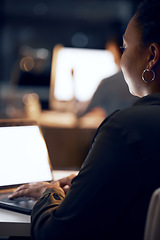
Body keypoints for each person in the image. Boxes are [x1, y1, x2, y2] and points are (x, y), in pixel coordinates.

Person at [9, 0, 160, 239]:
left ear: (151, 56)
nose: (121, 60)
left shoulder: (125, 128)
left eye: (125, 47)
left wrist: (50, 193)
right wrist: (92, 182)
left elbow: (55, 234)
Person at [79, 38, 138, 118]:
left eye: (110, 51)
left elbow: (83, 112)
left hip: (114, 127)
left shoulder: (108, 82)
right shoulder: (139, 81)